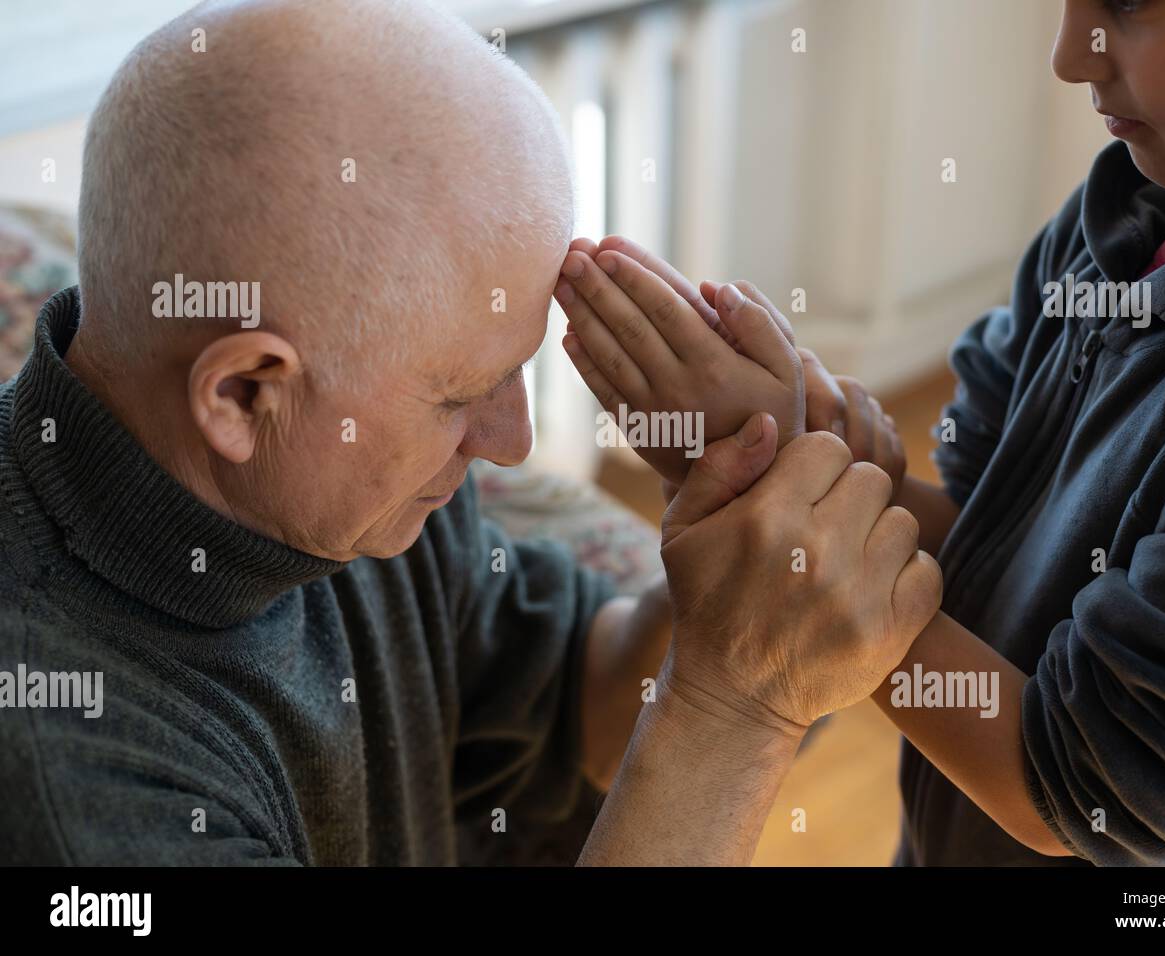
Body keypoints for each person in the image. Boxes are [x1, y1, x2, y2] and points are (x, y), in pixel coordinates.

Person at [0, 0, 940, 866]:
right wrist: (735, 703)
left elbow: (579, 701)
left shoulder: (338, 491)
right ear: (244, 395)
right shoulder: (75, 787)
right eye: (464, 395)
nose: (511, 440)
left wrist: (730, 552)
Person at [556, 0, 1165, 866]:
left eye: (1129, 3)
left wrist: (779, 499)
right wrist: (791, 451)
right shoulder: (1126, 212)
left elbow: (1073, 785)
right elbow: (984, 547)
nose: (1068, 57)